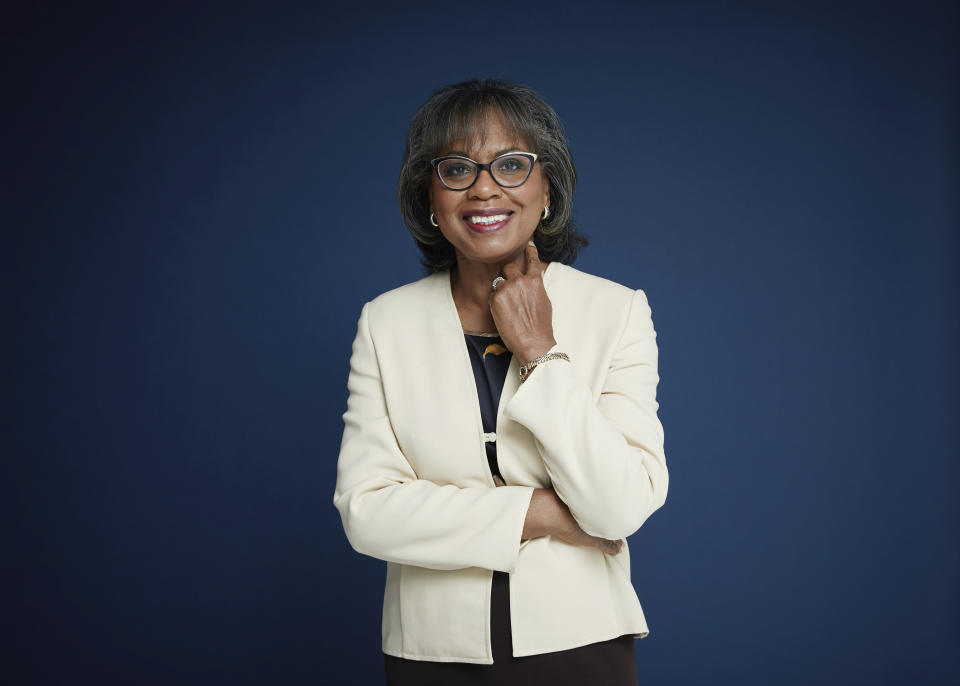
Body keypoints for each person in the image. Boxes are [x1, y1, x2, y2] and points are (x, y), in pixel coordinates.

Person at [332, 78, 668, 685]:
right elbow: (368, 512)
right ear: (430, 200)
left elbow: (618, 506)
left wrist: (540, 351)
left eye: (512, 165)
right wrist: (538, 513)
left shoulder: (615, 312)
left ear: (547, 192)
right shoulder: (386, 323)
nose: (485, 186)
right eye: (457, 168)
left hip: (582, 642)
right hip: (431, 651)